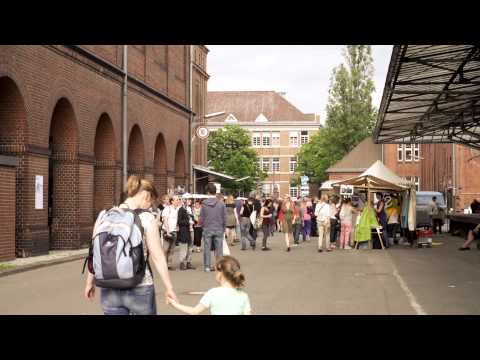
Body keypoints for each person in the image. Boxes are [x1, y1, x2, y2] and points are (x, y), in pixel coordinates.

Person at [84, 175, 177, 315]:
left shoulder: (104, 215)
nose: (150, 206)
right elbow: (157, 256)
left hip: (109, 285)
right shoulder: (146, 219)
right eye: (151, 202)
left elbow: (95, 253)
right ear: (146, 195)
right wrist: (169, 287)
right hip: (140, 285)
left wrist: (89, 282)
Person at [167, 256, 251, 315]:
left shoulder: (213, 293)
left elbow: (194, 311)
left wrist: (174, 304)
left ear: (220, 274)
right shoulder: (244, 296)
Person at [199, 183, 227, 272]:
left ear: (207, 192)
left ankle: (207, 266)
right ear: (215, 191)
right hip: (218, 228)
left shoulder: (204, 203)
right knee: (219, 249)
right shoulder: (221, 203)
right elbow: (224, 217)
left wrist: (203, 226)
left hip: (207, 228)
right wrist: (224, 228)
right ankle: (220, 267)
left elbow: (201, 217)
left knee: (207, 248)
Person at [162, 195, 181, 270]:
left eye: (178, 200)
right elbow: (165, 220)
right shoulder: (167, 209)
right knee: (165, 249)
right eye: (176, 200)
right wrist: (167, 231)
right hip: (167, 231)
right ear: (172, 201)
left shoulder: (177, 209)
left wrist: (177, 226)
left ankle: (169, 265)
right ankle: (163, 264)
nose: (178, 201)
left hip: (174, 231)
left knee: (172, 249)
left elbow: (175, 220)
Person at [177, 199, 196, 271]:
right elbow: (179, 221)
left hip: (191, 230)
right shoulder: (181, 210)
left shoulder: (190, 209)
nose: (190, 201)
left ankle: (188, 262)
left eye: (190, 200)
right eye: (188, 200)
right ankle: (182, 263)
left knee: (190, 247)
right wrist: (188, 222)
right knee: (184, 247)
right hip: (184, 231)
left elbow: (192, 218)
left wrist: (193, 220)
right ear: (184, 202)